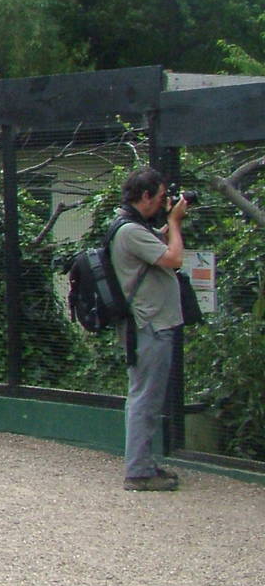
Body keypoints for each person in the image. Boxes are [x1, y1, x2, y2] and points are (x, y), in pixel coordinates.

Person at [112, 166, 190, 492]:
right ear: (145, 196)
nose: (163, 203)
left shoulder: (131, 227)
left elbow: (156, 250)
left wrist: (168, 223)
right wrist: (173, 223)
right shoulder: (129, 230)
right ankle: (139, 473)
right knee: (145, 399)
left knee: (143, 397)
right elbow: (173, 259)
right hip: (150, 325)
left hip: (148, 324)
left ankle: (141, 464)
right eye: (159, 198)